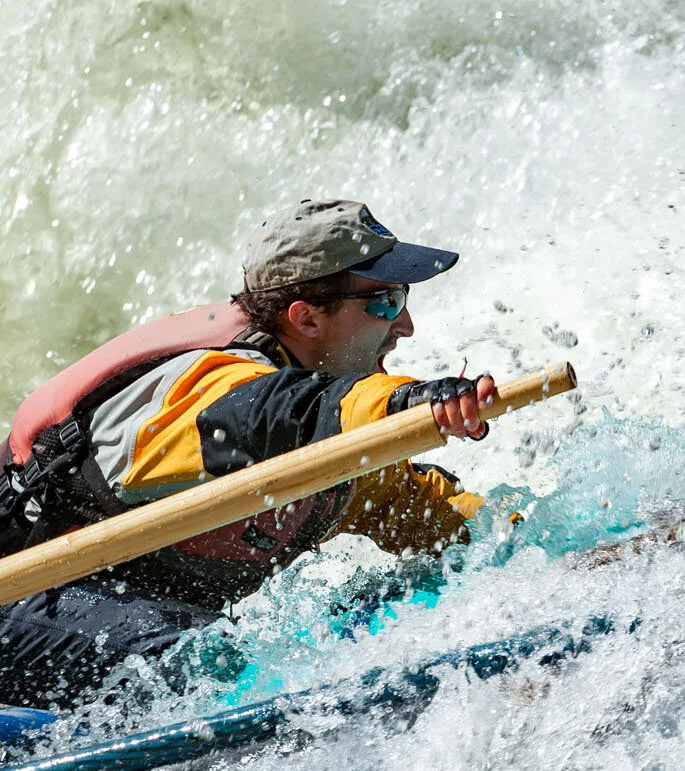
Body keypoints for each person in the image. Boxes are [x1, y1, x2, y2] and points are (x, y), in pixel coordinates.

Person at [0, 199, 495, 707]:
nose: (405, 324)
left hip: (98, 612)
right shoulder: (207, 397)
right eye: (385, 302)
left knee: (377, 604)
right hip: (13, 599)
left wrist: (512, 548)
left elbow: (413, 508)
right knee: (204, 661)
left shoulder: (332, 438)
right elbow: (280, 413)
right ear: (306, 318)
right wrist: (406, 402)